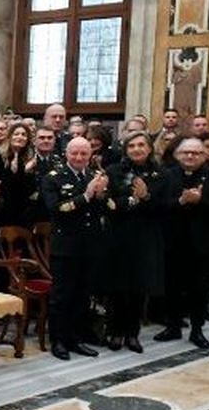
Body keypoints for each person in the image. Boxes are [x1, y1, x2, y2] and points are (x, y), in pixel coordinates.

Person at [42, 137, 112, 360]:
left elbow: (103, 209)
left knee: (82, 295)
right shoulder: (54, 178)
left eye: (84, 154)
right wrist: (86, 196)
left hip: (90, 245)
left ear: (90, 155)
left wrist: (101, 196)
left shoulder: (94, 176)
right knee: (61, 296)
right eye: (75, 153)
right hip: (65, 246)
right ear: (67, 154)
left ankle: (76, 338)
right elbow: (56, 208)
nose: (79, 158)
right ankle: (59, 341)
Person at [157, 138, 209, 349]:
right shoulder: (167, 175)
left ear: (205, 155)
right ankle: (173, 326)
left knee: (200, 289)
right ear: (177, 155)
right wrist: (180, 201)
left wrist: (200, 202)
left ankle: (197, 330)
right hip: (173, 242)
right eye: (185, 152)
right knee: (172, 287)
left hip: (202, 244)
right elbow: (160, 207)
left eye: (195, 153)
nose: (190, 156)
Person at [104, 132, 166, 351]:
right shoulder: (114, 171)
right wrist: (132, 200)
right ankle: (115, 332)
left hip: (146, 238)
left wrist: (147, 197)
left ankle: (132, 333)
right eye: (132, 146)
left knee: (139, 288)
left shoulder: (160, 174)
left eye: (141, 145)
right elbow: (109, 202)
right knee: (117, 288)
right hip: (119, 236)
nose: (137, 149)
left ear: (149, 149)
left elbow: (164, 207)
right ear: (126, 149)